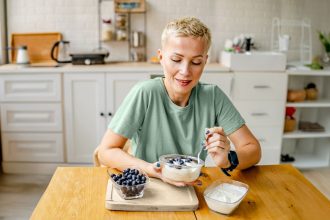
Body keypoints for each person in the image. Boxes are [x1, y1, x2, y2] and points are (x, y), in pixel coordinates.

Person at [97, 17, 261, 186]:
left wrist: (228, 159)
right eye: (176, 60)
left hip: (192, 188)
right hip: (148, 184)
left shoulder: (213, 97)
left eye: (196, 62)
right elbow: (105, 151)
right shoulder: (145, 93)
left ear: (205, 61)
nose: (185, 71)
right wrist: (152, 170)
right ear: (161, 57)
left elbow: (253, 149)